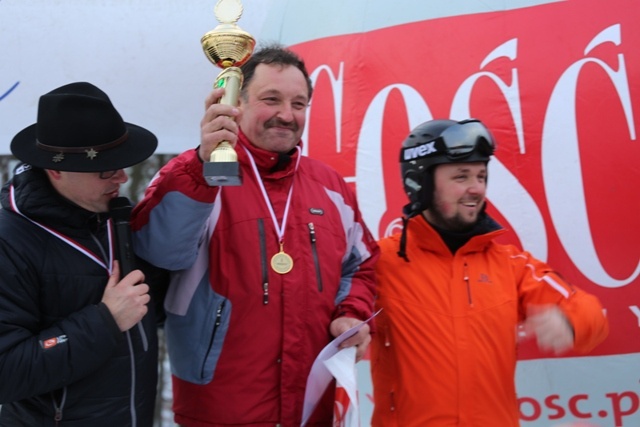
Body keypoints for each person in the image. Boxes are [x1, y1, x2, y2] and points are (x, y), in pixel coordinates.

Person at [130, 45, 379, 427]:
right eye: (271, 99)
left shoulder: (329, 186)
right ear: (237, 104)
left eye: (299, 103)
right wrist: (202, 167)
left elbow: (362, 267)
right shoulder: (196, 173)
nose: (286, 114)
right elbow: (158, 253)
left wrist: (352, 314)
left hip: (311, 405)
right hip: (220, 409)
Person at [370, 118, 609, 427]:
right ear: (421, 182)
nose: (476, 188)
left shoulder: (511, 265)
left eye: (481, 176)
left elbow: (592, 314)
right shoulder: (379, 261)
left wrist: (569, 322)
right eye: (461, 176)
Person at [0, 82, 160, 426]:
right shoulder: (9, 240)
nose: (121, 177)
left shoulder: (113, 218)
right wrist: (106, 320)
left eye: (123, 162)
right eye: (106, 169)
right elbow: (7, 371)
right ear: (56, 170)